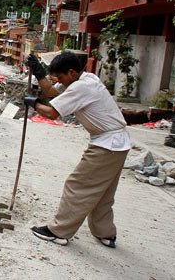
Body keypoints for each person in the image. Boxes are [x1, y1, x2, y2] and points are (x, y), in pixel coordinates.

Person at [23, 52, 130, 248]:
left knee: (77, 185)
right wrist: (38, 71)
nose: (58, 81)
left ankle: (59, 231)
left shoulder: (82, 87)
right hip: (116, 143)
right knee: (103, 192)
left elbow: (52, 113)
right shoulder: (85, 78)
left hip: (107, 144)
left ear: (71, 72)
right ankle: (105, 232)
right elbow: (51, 92)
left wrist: (34, 103)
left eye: (60, 77)